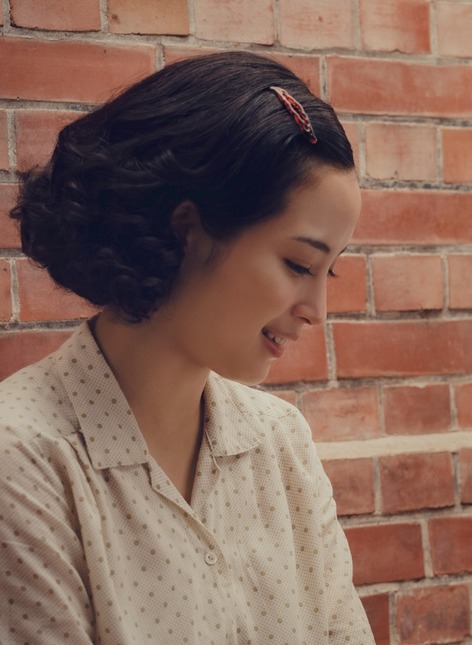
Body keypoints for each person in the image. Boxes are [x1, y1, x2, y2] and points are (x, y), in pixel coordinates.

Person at [0, 51, 375, 644]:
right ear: (187, 227)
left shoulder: (280, 444)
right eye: (297, 263)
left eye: (327, 273)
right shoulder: (24, 463)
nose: (315, 310)